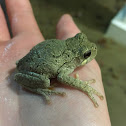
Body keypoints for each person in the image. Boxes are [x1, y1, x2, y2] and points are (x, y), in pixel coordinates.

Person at [0, 0, 111, 125]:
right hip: (31, 69)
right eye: (87, 55)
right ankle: (36, 88)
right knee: (45, 81)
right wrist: (84, 86)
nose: (93, 49)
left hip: (31, 59)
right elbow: (62, 77)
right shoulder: (69, 64)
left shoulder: (67, 54)